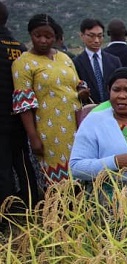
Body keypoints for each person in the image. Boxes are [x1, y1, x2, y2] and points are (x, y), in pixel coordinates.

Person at [12, 14, 88, 185]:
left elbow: (77, 84)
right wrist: (33, 137)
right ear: (30, 35)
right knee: (58, 183)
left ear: (56, 37)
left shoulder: (64, 58)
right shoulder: (23, 63)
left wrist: (82, 91)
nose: (43, 40)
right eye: (38, 35)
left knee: (80, 175)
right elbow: (24, 105)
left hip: (76, 126)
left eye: (48, 36)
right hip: (49, 131)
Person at [1, 2, 39, 229]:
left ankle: (5, 217)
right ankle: (32, 206)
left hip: (2, 120)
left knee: (3, 170)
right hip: (21, 119)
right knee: (24, 166)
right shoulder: (19, 47)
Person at [73, 18, 122, 104]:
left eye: (100, 36)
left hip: (112, 108)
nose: (96, 40)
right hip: (88, 110)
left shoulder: (114, 61)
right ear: (82, 36)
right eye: (91, 36)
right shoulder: (76, 63)